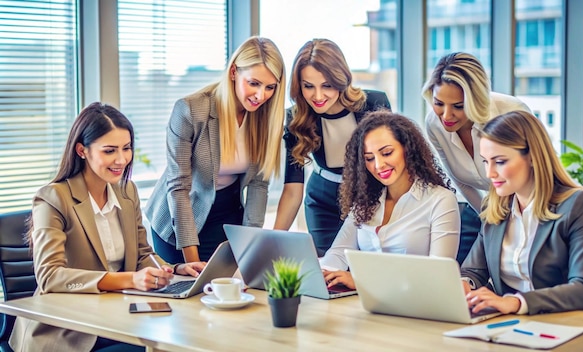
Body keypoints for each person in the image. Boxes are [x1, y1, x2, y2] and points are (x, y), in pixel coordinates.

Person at [9, 102, 205, 352]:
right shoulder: (53, 198)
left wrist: (175, 268)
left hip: (120, 316)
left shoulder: (127, 191)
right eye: (109, 151)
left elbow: (143, 255)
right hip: (68, 329)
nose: (121, 159)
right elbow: (50, 276)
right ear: (82, 150)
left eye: (126, 148)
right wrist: (130, 279)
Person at [461, 110, 583, 316]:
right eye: (485, 161)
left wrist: (516, 303)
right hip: (522, 326)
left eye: (499, 161)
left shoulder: (578, 204)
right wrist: (465, 284)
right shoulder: (494, 207)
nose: (490, 173)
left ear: (533, 157)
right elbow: (474, 270)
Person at [145, 36, 286, 263]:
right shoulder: (191, 110)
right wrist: (191, 261)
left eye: (270, 87)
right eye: (254, 83)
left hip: (227, 214)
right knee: (187, 288)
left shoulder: (267, 118)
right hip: (180, 215)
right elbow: (178, 187)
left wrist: (250, 246)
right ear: (233, 72)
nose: (261, 96)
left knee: (229, 288)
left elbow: (259, 186)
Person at [274, 38, 391, 256]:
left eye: (327, 85)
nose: (317, 96)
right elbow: (292, 190)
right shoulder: (295, 118)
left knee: (368, 270)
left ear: (341, 79)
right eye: (308, 86)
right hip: (322, 202)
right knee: (330, 273)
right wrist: (271, 243)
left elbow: (394, 165)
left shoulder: (374, 104)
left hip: (371, 196)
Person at [320, 111, 460, 290]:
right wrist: (322, 273)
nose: (378, 165)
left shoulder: (440, 200)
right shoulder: (366, 201)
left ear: (407, 149)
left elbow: (440, 274)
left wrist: (363, 281)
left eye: (386, 153)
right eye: (369, 158)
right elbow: (339, 252)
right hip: (368, 304)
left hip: (415, 305)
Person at [421, 52, 532, 214]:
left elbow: (536, 176)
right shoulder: (434, 123)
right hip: (493, 211)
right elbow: (460, 180)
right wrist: (487, 217)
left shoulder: (512, 112)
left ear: (475, 99)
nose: (446, 115)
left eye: (458, 106)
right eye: (439, 103)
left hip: (535, 206)